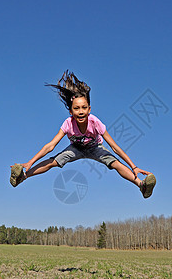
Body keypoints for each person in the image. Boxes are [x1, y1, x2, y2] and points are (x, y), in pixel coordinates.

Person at [10, 70, 156, 198]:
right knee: (52, 162)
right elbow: (50, 146)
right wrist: (30, 162)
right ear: (71, 111)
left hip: (95, 148)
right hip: (76, 149)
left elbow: (115, 147)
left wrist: (134, 166)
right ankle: (23, 177)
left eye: (84, 108)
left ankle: (141, 186)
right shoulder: (68, 123)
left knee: (116, 164)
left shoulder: (95, 122)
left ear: (89, 109)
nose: (81, 111)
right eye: (77, 108)